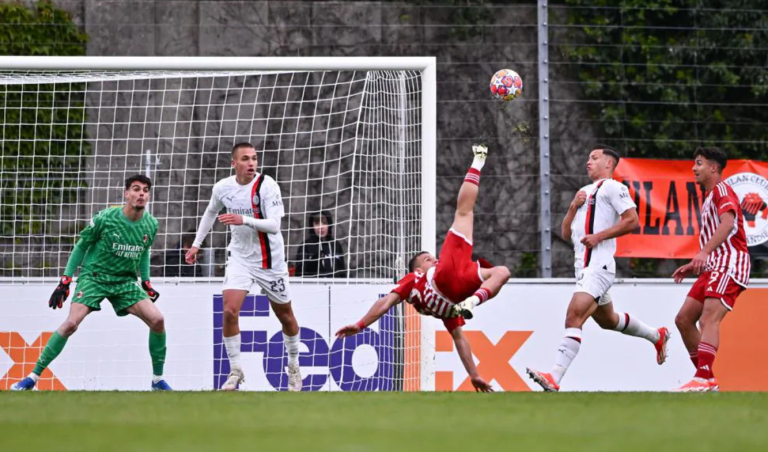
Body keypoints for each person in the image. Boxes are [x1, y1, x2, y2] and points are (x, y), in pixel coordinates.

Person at [335, 144, 512, 392]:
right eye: (428, 259)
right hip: (445, 280)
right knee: (464, 212)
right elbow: (385, 302)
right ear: (418, 269)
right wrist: (361, 323)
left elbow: (459, 339)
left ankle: (474, 301)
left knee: (502, 272)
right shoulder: (415, 279)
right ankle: (477, 163)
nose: (434, 258)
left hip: (458, 296)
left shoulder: (443, 311)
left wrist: (474, 375)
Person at [526, 146, 669, 392]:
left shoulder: (614, 187)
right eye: (588, 158)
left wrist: (599, 236)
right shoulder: (583, 192)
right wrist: (572, 207)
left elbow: (632, 220)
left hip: (598, 266)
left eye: (594, 158)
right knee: (609, 320)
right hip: (583, 268)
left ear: (609, 164)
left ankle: (554, 378)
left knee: (574, 315)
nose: (588, 162)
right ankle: (657, 335)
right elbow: (565, 233)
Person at [12, 175, 171, 391]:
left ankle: (157, 380)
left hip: (124, 281)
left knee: (158, 320)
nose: (141, 193)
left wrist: (146, 281)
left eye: (145, 190)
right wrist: (65, 281)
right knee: (70, 324)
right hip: (94, 277)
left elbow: (144, 251)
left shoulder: (151, 224)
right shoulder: (106, 217)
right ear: (126, 194)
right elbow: (81, 246)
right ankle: (32, 377)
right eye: (136, 189)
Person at [186, 142, 302, 391]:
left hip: (270, 260)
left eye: (255, 158)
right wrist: (197, 244)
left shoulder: (267, 186)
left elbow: (274, 225)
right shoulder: (223, 188)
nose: (252, 163)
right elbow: (209, 212)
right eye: (246, 159)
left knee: (285, 315)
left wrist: (243, 220)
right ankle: (235, 370)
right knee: (229, 311)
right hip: (240, 257)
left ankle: (293, 365)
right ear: (234, 163)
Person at [672, 147, 750, 392]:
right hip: (714, 265)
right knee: (684, 319)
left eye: (699, 163)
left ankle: (703, 378)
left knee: (708, 318)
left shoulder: (723, 190)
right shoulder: (709, 197)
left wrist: (704, 252)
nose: (694, 168)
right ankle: (706, 378)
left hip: (730, 261)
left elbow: (728, 224)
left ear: (713, 168)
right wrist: (697, 261)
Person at [294, 210, 347, 278]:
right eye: (317, 223)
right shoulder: (305, 246)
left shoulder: (336, 245)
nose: (321, 227)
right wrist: (314, 261)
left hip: (334, 286)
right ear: (312, 226)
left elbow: (342, 272)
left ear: (329, 224)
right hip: (313, 287)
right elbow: (299, 274)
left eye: (324, 223)